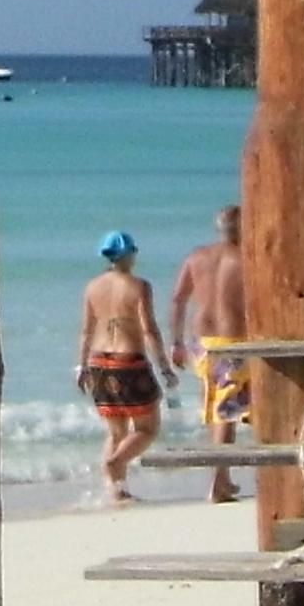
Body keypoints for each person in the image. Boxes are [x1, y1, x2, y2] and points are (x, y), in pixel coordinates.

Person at [164, 204, 252, 504]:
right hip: (233, 343)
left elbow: (178, 300)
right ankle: (217, 482)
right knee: (227, 415)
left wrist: (175, 343)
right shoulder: (246, 259)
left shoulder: (196, 257)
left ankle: (223, 479)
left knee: (218, 411)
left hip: (200, 344)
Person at [77, 231, 167, 502]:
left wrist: (80, 366)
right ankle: (115, 464)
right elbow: (149, 329)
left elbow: (85, 331)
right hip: (129, 362)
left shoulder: (92, 287)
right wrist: (163, 365)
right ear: (128, 255)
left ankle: (116, 490)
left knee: (117, 431)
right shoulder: (139, 286)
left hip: (98, 362)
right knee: (147, 429)